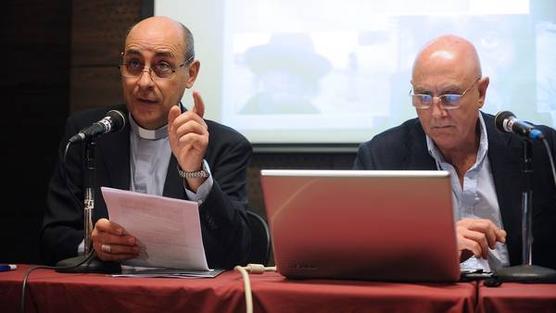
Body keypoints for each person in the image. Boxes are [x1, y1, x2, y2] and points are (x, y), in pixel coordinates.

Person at [41, 16, 252, 270]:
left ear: (191, 74)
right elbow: (51, 237)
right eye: (133, 64)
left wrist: (195, 175)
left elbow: (237, 250)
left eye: (162, 66)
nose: (143, 82)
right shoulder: (88, 134)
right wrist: (91, 245)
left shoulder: (225, 145)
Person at [354, 34, 556, 271]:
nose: (437, 113)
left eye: (450, 98)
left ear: (481, 92)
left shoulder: (538, 148)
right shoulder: (381, 157)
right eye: (424, 97)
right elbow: (358, 248)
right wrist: (434, 246)